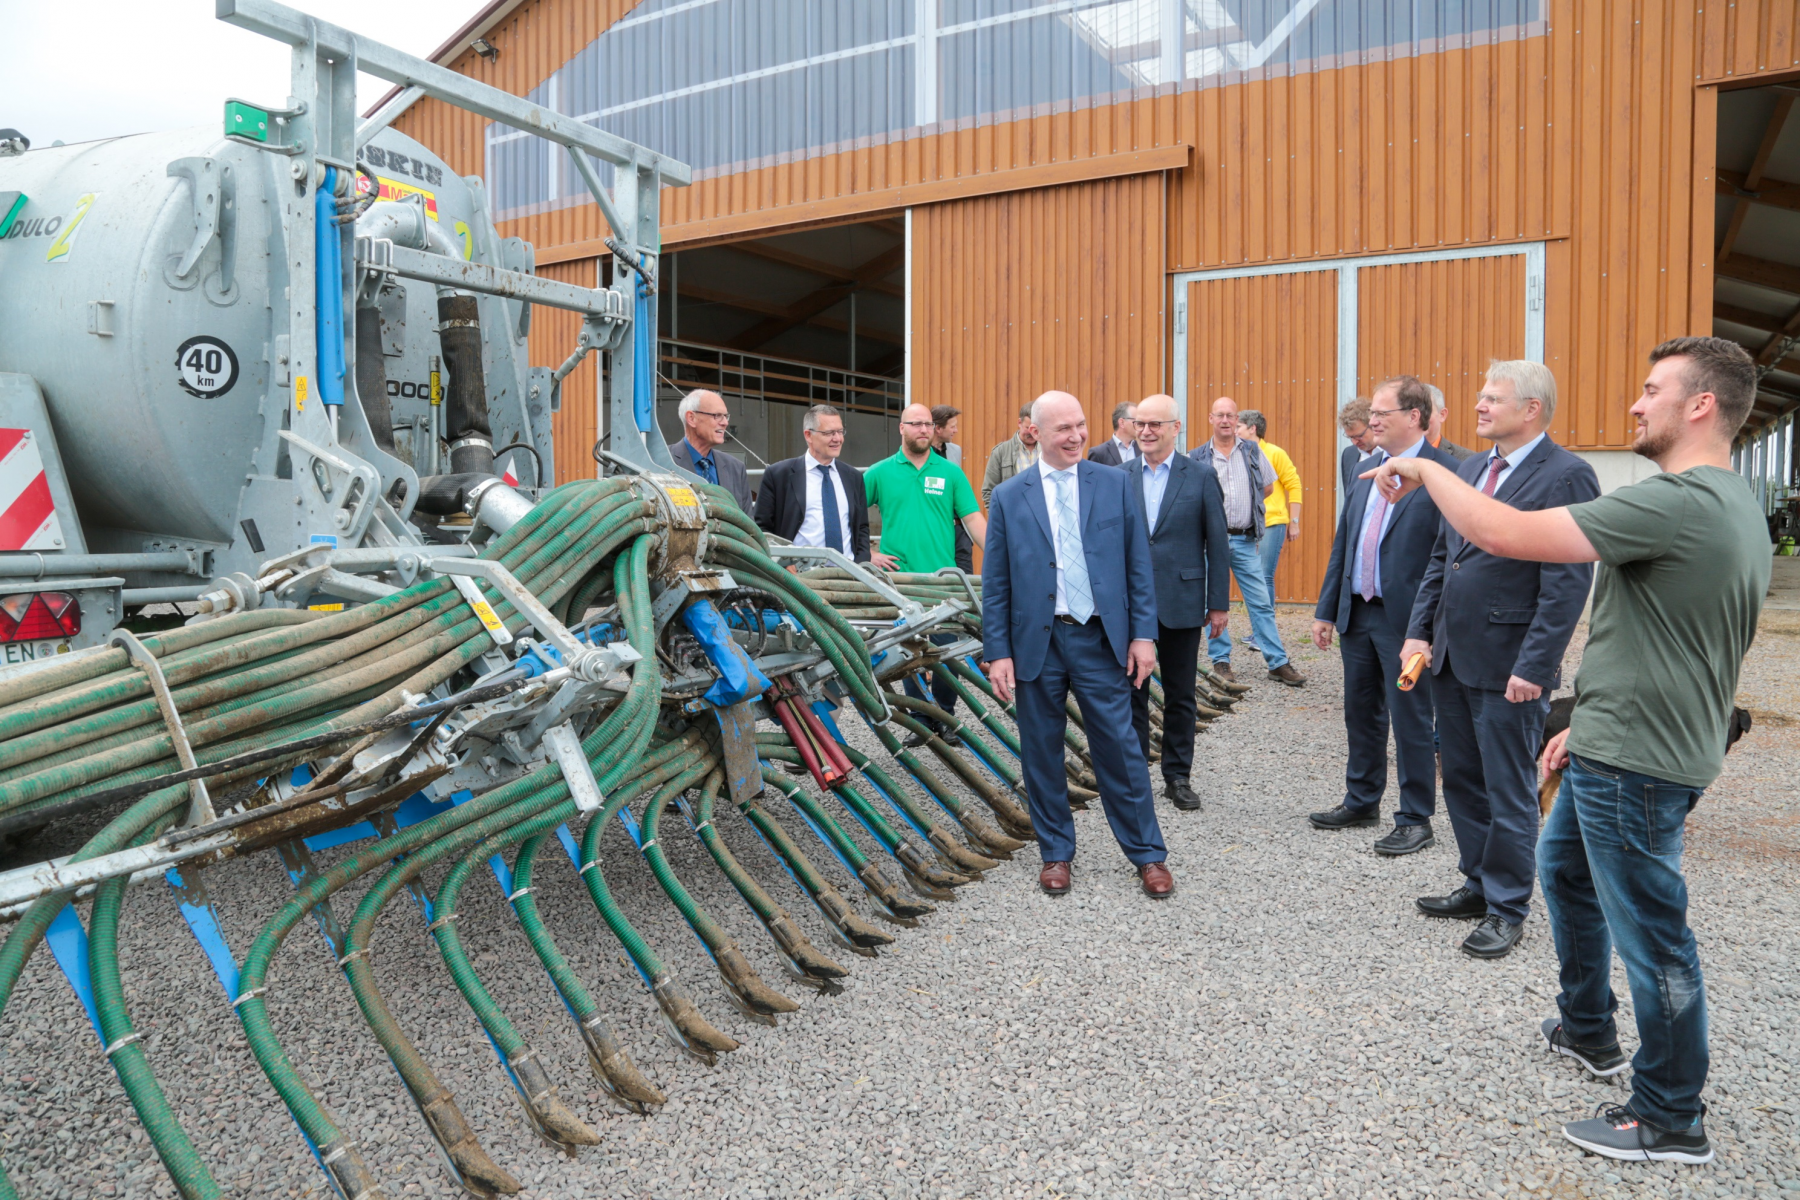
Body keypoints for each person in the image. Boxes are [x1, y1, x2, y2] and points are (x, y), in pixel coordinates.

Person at [1369, 337, 1769, 1166]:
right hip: (1616, 741)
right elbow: (1679, 643)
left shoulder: (1682, 501)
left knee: (1654, 936)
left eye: (1653, 389)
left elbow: (1505, 531)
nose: (1636, 403)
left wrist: (1425, 467)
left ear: (1701, 405)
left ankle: (1668, 1115)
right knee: (1567, 874)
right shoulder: (1727, 503)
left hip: (1640, 762)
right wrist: (1582, 723)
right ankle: (1588, 1029)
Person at [1402, 361, 1599, 959]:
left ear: (1531, 409)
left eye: (1493, 398)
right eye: (1481, 397)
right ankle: (1477, 881)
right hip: (1453, 657)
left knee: (1508, 786)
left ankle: (1508, 905)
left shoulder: (1567, 476)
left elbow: (1566, 583)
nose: (1480, 406)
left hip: (1511, 665)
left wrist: (1536, 666)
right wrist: (1418, 633)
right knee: (1460, 778)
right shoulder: (1469, 468)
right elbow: (1444, 559)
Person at [982, 391, 1171, 898]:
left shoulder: (1113, 484)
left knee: (1121, 748)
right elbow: (995, 581)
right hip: (1034, 643)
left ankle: (1148, 855)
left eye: (1081, 425)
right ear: (1035, 433)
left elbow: (1138, 567)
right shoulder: (1008, 496)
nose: (1076, 436)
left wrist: (1143, 635)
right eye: (1063, 428)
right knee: (1041, 752)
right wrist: (997, 651)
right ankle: (1055, 854)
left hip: (1098, 638)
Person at [1309, 376, 1459, 854]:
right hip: (1360, 614)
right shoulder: (1362, 462)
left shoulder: (1446, 472)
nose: (1371, 420)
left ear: (1414, 417)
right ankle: (1362, 798)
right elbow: (1345, 542)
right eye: (1371, 413)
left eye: (1381, 413)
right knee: (1361, 713)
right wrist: (1327, 609)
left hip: (1408, 623)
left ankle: (1415, 817)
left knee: (1412, 719)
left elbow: (1449, 559)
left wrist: (1429, 627)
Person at [1124, 394, 1230, 812]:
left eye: (1155, 425)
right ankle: (1133, 776)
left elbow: (1217, 544)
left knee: (1181, 695)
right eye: (1140, 424)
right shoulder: (1119, 475)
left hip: (1182, 601)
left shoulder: (1200, 476)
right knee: (1131, 691)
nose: (1146, 431)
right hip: (1130, 606)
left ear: (1175, 427)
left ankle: (1177, 776)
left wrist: (1218, 603)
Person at [865, 404, 989, 739]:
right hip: (900, 582)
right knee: (909, 651)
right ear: (901, 428)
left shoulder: (950, 472)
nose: (923, 429)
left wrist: (998, 553)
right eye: (916, 424)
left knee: (946, 650)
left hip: (942, 581)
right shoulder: (880, 472)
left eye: (928, 424)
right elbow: (850, 514)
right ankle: (921, 721)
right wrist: (870, 553)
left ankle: (946, 718)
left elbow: (973, 519)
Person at [1195, 397, 1305, 687]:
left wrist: (1248, 508)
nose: (1225, 420)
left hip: (1243, 539)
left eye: (1231, 415)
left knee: (1260, 602)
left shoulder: (1253, 451)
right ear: (1211, 418)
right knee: (1213, 603)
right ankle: (1221, 662)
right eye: (1220, 415)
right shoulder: (1197, 457)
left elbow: (1268, 486)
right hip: (1209, 543)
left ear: (1237, 420)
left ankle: (1277, 662)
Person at [753, 404, 871, 561]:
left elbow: (861, 527)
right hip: (797, 576)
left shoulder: (853, 477)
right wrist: (782, 563)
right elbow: (762, 529)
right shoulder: (778, 475)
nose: (837, 439)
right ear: (808, 435)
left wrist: (861, 565)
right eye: (829, 433)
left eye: (840, 431)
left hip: (849, 574)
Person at [1234, 408, 1302, 603]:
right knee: (1253, 577)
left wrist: (1294, 522)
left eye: (1239, 427)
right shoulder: (1238, 453)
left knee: (1264, 575)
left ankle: (1265, 630)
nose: (1235, 431)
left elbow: (1294, 485)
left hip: (1272, 523)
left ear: (1252, 428)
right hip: (1247, 526)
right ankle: (1259, 630)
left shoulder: (1275, 453)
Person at [668, 389, 753, 512]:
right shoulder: (662, 461)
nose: (725, 423)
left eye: (725, 416)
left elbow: (747, 522)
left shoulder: (736, 468)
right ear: (691, 418)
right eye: (717, 415)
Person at [932, 405, 974, 572]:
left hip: (959, 528)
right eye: (952, 426)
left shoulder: (955, 451)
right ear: (938, 428)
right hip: (936, 530)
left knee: (966, 579)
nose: (956, 430)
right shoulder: (921, 455)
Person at [982, 403, 1040, 509]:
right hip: (1013, 519)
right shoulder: (1000, 452)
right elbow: (989, 492)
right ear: (1019, 422)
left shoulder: (1049, 451)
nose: (1032, 433)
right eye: (1028, 428)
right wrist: (1000, 520)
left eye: (1035, 429)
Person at [1427, 384, 1476, 462]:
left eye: (1424, 410)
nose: (1416, 417)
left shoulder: (1468, 460)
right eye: (1410, 411)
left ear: (1442, 415)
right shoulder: (1401, 455)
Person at [1339, 397, 1378, 492]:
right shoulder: (1349, 454)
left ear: (1373, 424)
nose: (1355, 442)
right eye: (1350, 437)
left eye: (1359, 436)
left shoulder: (1393, 451)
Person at [1086, 402, 1140, 466]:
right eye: (1137, 421)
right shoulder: (1099, 453)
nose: (1140, 425)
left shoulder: (1144, 449)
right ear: (1122, 422)